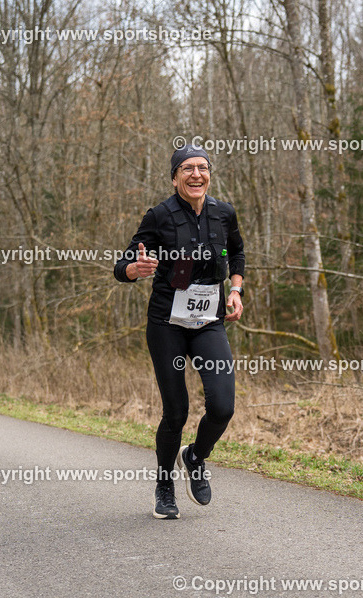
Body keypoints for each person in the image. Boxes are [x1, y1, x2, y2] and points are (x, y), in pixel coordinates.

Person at [113, 143, 245, 519]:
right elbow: (123, 265)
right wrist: (134, 269)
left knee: (222, 406)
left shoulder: (224, 213)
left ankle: (196, 457)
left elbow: (237, 253)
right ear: (175, 178)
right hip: (166, 325)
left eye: (202, 167)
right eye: (187, 168)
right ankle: (165, 485)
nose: (196, 174)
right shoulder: (159, 216)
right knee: (176, 412)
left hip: (209, 324)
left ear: (209, 174)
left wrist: (235, 290)